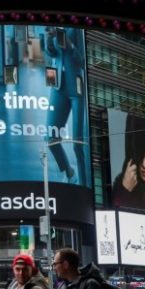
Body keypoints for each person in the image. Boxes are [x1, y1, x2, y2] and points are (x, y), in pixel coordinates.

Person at [43, 26, 88, 186]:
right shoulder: (50, 26)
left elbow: (82, 60)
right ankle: (69, 172)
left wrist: (69, 44)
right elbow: (50, 54)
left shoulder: (75, 28)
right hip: (58, 88)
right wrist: (49, 40)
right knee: (50, 137)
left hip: (76, 89)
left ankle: (84, 186)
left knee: (78, 144)